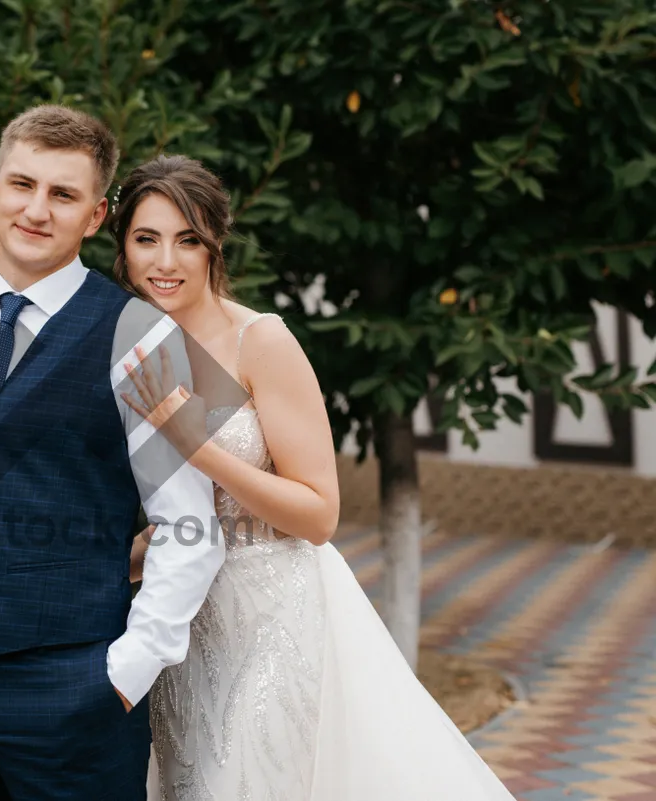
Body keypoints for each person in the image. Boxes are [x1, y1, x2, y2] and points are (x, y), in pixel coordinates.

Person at [116, 154, 517, 801]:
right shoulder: (133, 351)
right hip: (183, 624)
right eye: (146, 239)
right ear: (123, 247)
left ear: (216, 240)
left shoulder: (260, 341)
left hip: (274, 611)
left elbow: (319, 512)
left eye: (187, 238)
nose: (166, 260)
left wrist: (197, 443)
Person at [0, 107, 225, 800]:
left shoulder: (139, 332)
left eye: (62, 195)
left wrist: (125, 673)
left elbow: (191, 526)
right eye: (22, 185)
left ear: (94, 217)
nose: (36, 209)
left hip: (76, 695)